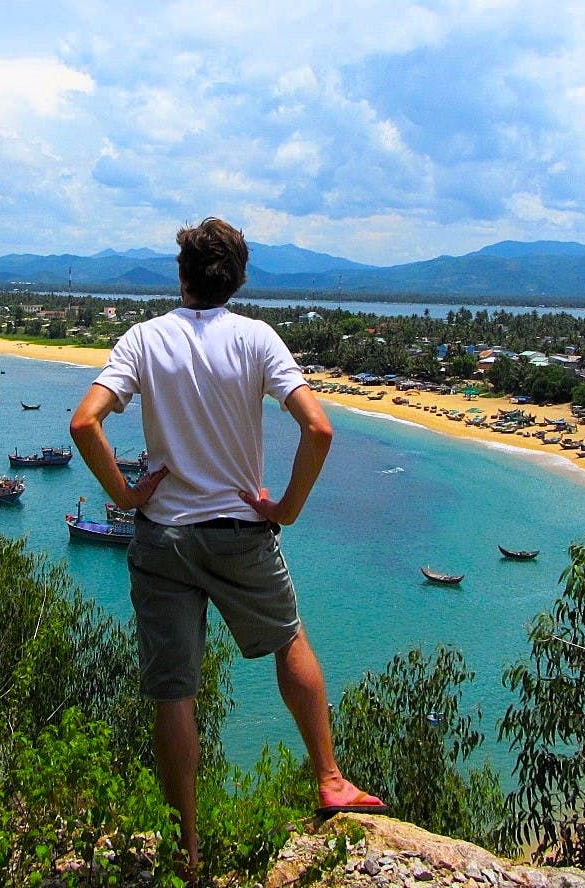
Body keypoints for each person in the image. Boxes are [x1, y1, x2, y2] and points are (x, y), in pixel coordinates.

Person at [69, 217, 386, 874]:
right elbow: (318, 430)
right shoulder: (257, 339)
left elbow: (85, 422)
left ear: (181, 274)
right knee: (289, 641)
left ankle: (186, 848)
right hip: (241, 533)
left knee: (174, 690)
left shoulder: (144, 339)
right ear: (238, 280)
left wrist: (128, 498)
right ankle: (329, 780)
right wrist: (285, 509)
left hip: (163, 538)